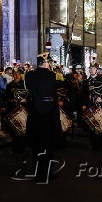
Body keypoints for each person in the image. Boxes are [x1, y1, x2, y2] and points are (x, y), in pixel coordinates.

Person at [24, 53, 62, 183]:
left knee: (36, 145)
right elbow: (55, 92)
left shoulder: (29, 75)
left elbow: (29, 92)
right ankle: (46, 172)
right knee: (47, 146)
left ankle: (36, 172)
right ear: (46, 63)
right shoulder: (51, 76)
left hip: (35, 115)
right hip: (48, 116)